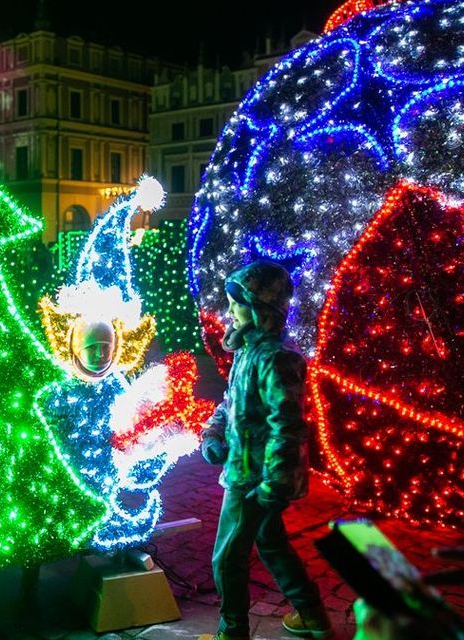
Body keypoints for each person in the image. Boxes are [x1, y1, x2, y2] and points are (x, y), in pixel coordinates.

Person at [201, 260, 333, 640]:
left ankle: (233, 631)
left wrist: (272, 484)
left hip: (253, 477)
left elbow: (287, 427)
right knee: (270, 541)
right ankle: (311, 615)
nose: (229, 311)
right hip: (248, 468)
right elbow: (232, 402)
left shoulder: (277, 358)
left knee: (227, 557)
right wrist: (214, 432)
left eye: (236, 303)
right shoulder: (248, 351)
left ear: (261, 308)